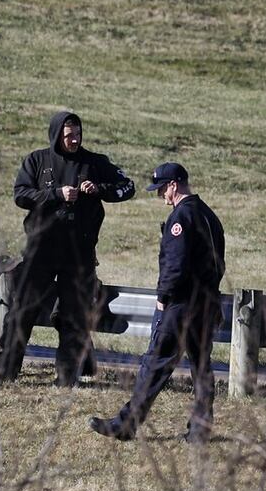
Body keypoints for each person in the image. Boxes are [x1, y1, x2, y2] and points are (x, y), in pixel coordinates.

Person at [0, 110, 135, 386]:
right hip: (41, 250)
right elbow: (21, 195)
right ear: (56, 135)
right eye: (69, 136)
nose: (74, 141)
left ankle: (67, 375)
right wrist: (56, 194)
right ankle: (5, 369)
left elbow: (128, 187)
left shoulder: (94, 162)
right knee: (23, 310)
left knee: (74, 315)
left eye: (78, 134)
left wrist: (99, 189)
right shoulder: (37, 160)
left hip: (79, 254)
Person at [90, 162, 225, 443]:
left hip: (181, 306)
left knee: (154, 365)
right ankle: (200, 430)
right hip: (206, 304)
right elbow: (218, 264)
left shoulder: (181, 219)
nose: (160, 195)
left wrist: (163, 298)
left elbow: (174, 266)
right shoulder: (209, 215)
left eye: (162, 188)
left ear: (174, 185)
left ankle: (126, 424)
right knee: (201, 367)